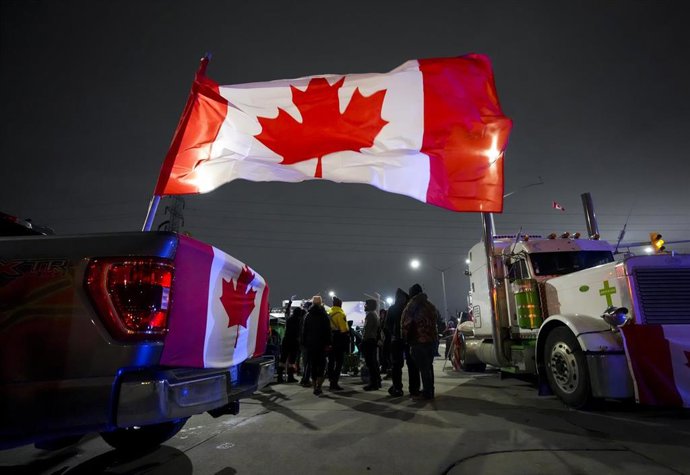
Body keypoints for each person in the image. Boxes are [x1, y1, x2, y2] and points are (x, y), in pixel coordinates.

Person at [401, 283, 439, 400]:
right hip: (432, 340)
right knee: (428, 366)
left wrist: (404, 338)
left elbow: (405, 323)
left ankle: (427, 392)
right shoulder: (430, 305)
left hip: (418, 340)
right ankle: (430, 389)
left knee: (423, 368)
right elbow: (437, 318)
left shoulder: (412, 305)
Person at [301, 295, 332, 395]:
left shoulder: (307, 316)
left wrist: (304, 343)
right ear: (321, 303)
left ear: (313, 303)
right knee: (322, 366)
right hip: (322, 345)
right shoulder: (324, 316)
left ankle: (314, 386)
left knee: (313, 366)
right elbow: (328, 331)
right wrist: (328, 343)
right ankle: (319, 386)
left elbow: (304, 332)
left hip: (310, 345)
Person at [385, 288, 409, 397]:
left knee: (396, 366)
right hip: (406, 340)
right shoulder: (407, 308)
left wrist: (393, 335)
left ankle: (397, 387)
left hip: (397, 340)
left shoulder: (393, 309)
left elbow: (387, 326)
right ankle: (412, 389)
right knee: (408, 365)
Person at [278, 300, 304, 383]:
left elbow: (287, 312)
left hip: (286, 340)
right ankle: (290, 377)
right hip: (294, 342)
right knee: (292, 361)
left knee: (282, 360)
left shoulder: (289, 319)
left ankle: (279, 377)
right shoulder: (299, 321)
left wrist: (289, 304)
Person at [327, 296, 350, 391]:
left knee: (331, 361)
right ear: (340, 305)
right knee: (339, 362)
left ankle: (330, 378)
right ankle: (334, 382)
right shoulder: (340, 314)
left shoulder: (328, 313)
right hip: (338, 340)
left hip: (329, 339)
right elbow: (344, 329)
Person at [361, 299, 381, 391]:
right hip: (372, 341)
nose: (364, 306)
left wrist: (363, 341)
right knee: (374, 362)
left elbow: (367, 331)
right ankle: (377, 382)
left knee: (370, 363)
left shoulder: (370, 315)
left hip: (369, 341)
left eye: (366, 305)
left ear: (369, 305)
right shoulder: (375, 315)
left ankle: (373, 384)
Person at [379, 308, 390, 375]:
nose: (382, 315)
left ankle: (387, 369)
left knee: (386, 355)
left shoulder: (386, 321)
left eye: (383, 313)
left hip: (387, 340)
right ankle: (384, 368)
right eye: (381, 313)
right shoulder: (380, 320)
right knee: (382, 355)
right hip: (382, 340)